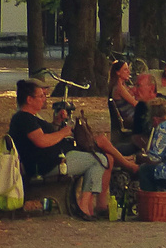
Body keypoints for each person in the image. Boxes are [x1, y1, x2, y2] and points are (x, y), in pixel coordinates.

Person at [8, 78, 132, 218]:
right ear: (29, 99)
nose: (44, 99)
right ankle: (84, 206)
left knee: (101, 157)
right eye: (41, 96)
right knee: (100, 160)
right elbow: (41, 141)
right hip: (47, 165)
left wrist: (56, 123)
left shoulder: (31, 117)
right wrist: (63, 132)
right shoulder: (24, 118)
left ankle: (87, 205)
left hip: (53, 159)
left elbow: (44, 135)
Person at [109, 60, 140, 128]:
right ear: (118, 72)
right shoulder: (119, 88)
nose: (129, 72)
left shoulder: (124, 86)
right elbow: (135, 104)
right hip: (129, 117)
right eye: (125, 70)